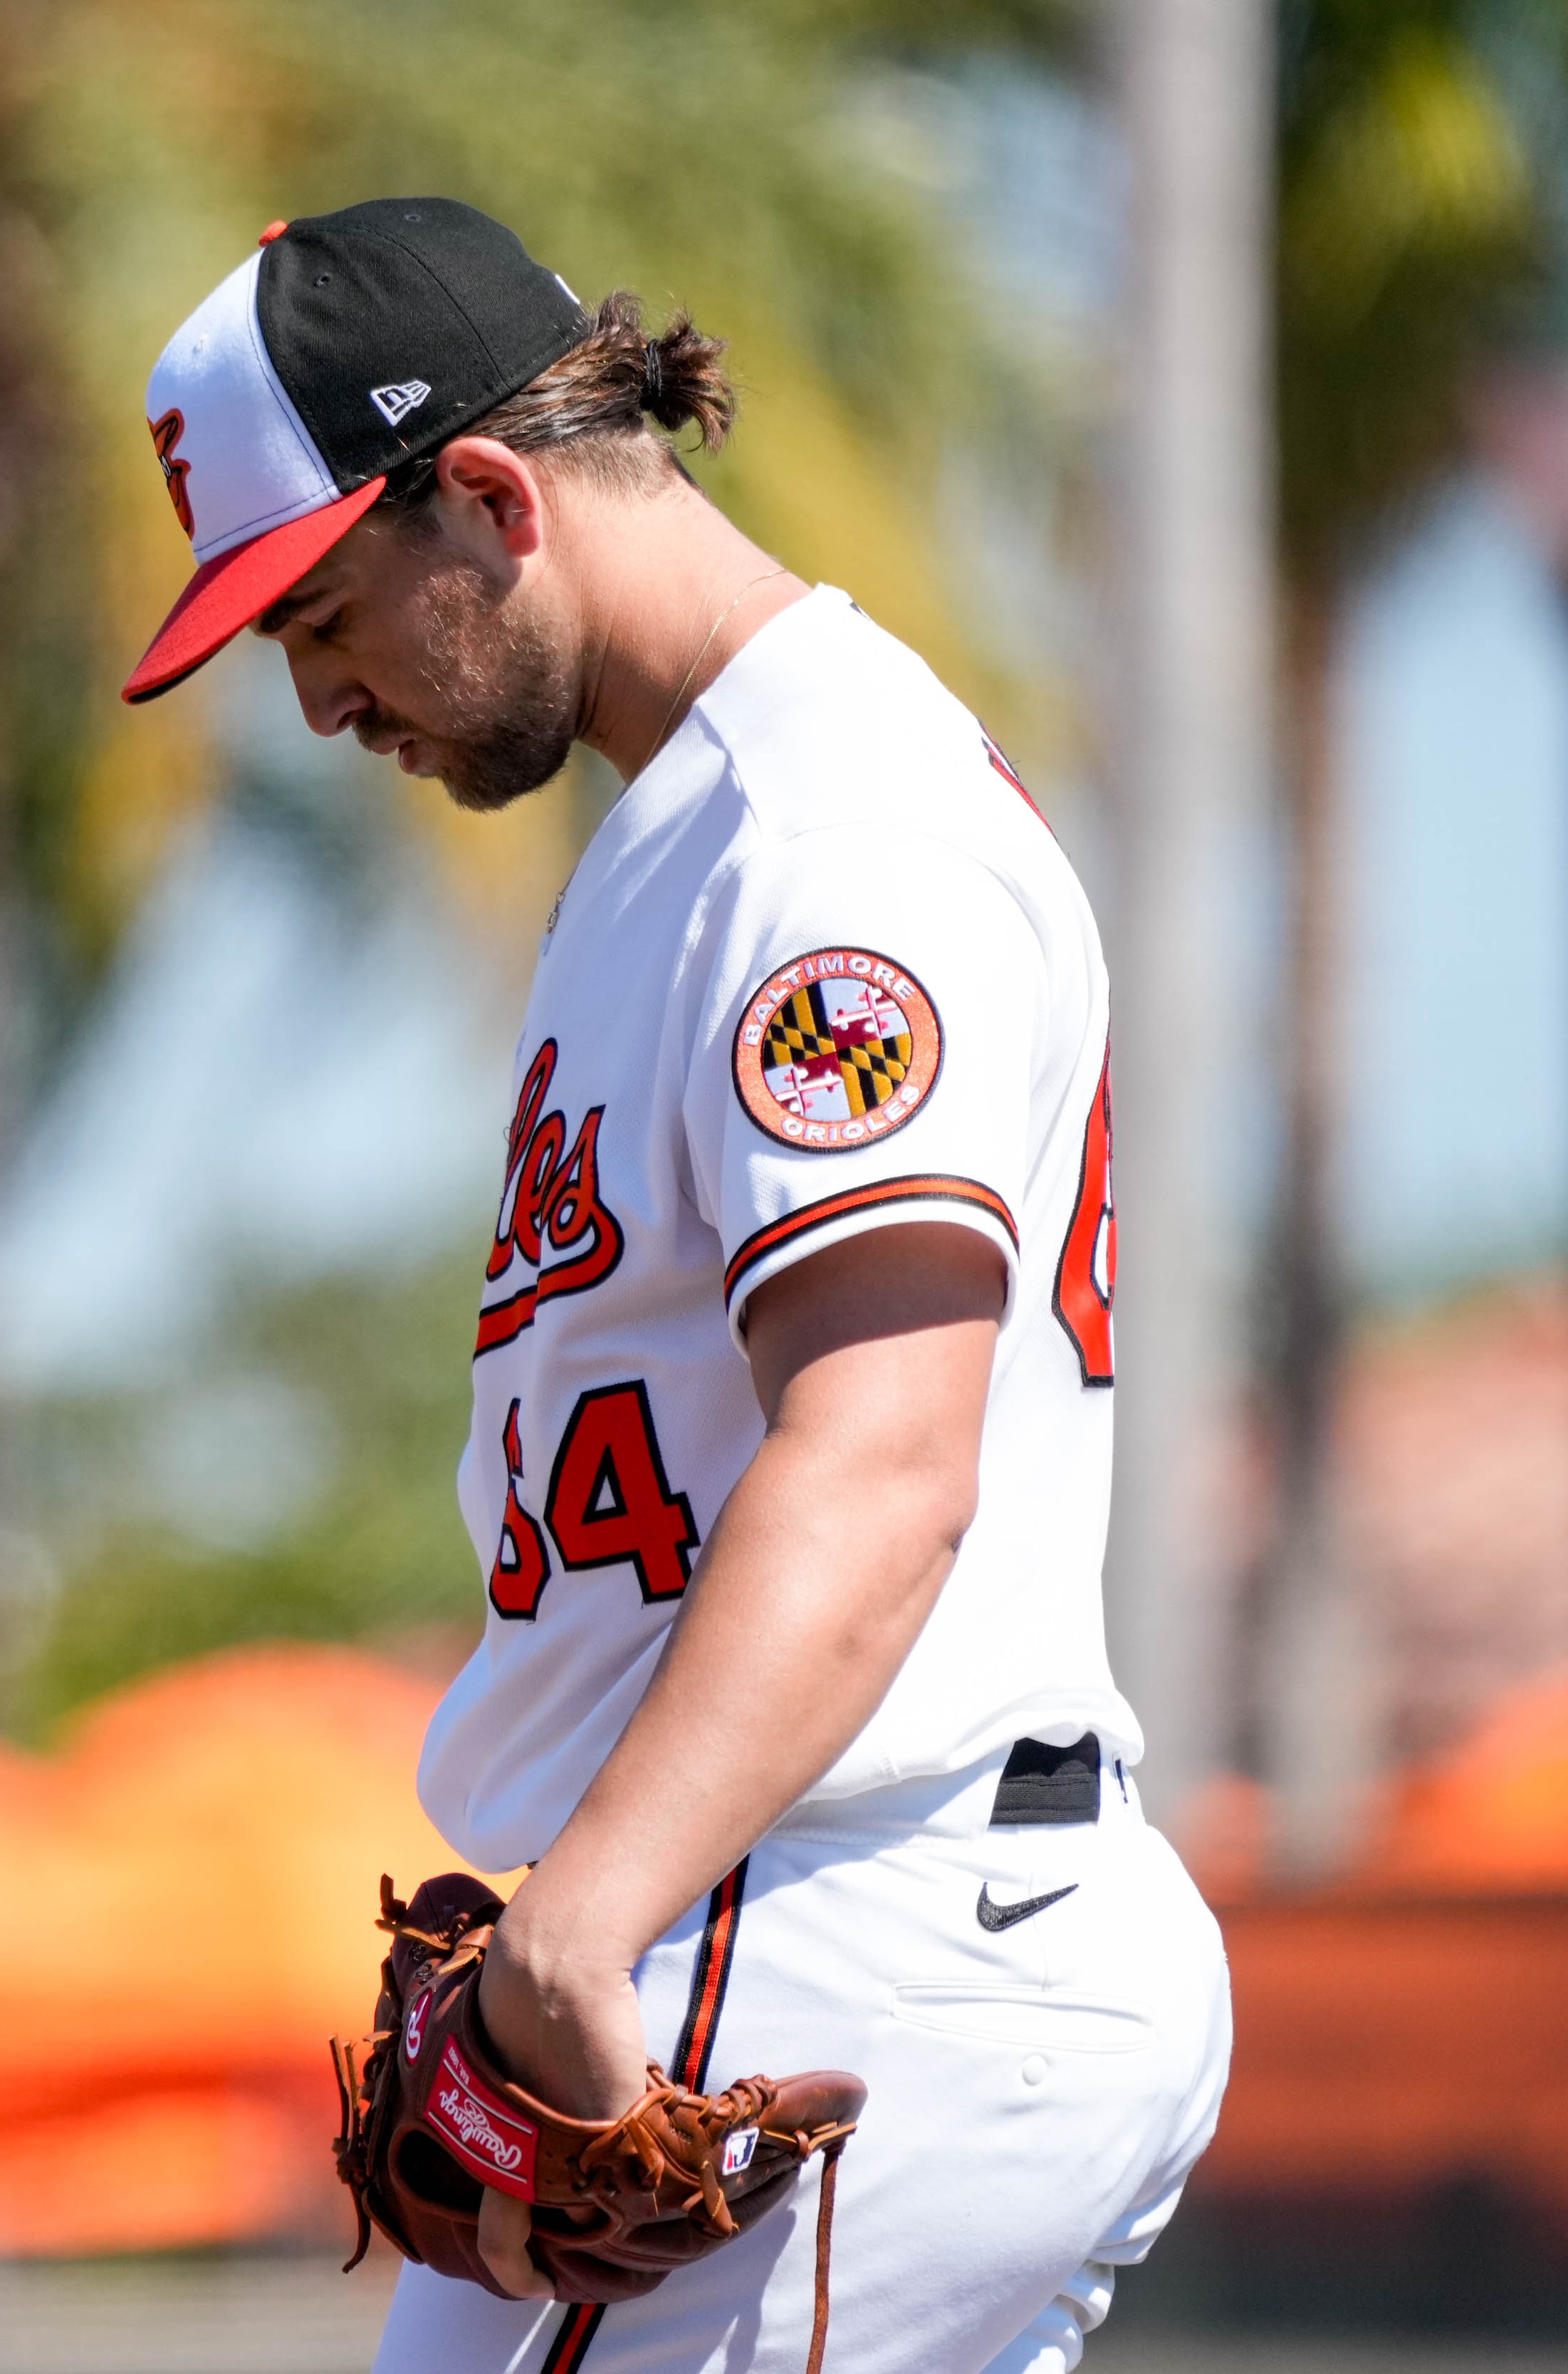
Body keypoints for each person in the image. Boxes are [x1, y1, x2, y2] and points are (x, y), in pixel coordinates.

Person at [121, 198, 1230, 2374]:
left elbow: (884, 1450)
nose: (319, 694)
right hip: (830, 1901)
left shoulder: (830, 839)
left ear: (495, 496)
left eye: (325, 612)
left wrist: (574, 1932)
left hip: (832, 1908)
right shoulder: (705, 826)